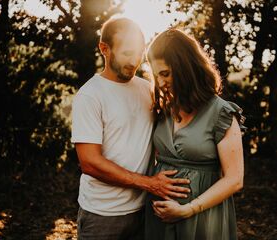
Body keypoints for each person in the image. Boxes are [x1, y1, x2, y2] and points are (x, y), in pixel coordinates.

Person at [71, 19, 190, 240]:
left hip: (144, 211)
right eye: (127, 53)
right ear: (104, 49)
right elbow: (89, 162)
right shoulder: (90, 96)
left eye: (139, 53)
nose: (134, 61)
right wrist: (150, 183)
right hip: (102, 216)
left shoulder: (148, 90)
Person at [145, 28, 246, 240]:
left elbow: (235, 179)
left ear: (185, 69)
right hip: (159, 217)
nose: (160, 83)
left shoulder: (221, 113)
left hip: (203, 218)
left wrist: (188, 209)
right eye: (156, 75)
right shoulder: (163, 110)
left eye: (165, 73)